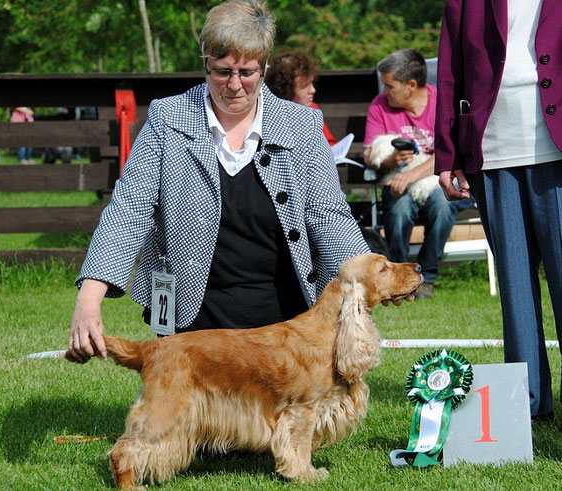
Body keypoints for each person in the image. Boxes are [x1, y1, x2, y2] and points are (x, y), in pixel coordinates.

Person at [68, 0, 379, 363]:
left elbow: (328, 215)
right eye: (221, 72)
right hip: (195, 314)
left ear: (264, 68)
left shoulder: (302, 125)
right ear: (205, 64)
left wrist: (370, 272)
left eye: (246, 72)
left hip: (287, 318)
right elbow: (129, 209)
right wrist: (88, 300)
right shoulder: (167, 119)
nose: (234, 85)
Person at [436, 0, 562, 420]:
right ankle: (526, 403)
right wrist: (448, 152)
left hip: (557, 147)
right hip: (492, 150)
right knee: (514, 286)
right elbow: (451, 69)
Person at [363, 49, 472, 299]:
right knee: (399, 210)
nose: (385, 92)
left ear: (411, 85)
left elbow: (452, 150)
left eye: (390, 86)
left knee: (442, 206)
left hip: (439, 181)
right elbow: (369, 154)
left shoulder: (442, 103)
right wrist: (391, 158)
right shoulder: (380, 106)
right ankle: (398, 278)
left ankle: (427, 278)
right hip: (398, 182)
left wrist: (412, 175)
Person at [265, 50, 336, 145]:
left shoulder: (312, 109)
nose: (313, 90)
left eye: (312, 83)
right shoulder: (270, 118)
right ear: (286, 90)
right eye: (304, 86)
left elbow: (330, 143)